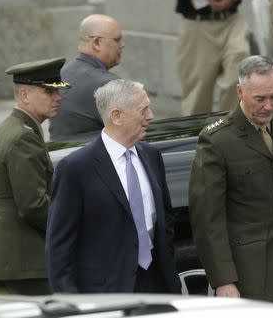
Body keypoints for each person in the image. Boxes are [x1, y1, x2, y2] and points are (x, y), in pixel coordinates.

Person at [189, 55, 273, 309]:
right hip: (251, 273)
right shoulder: (217, 140)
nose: (269, 106)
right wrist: (224, 280)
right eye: (260, 99)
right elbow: (208, 220)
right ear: (240, 91)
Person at [46, 79, 182, 294]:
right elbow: (59, 247)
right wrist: (69, 303)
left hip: (157, 283)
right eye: (143, 110)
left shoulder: (151, 156)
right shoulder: (76, 168)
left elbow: (165, 219)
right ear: (117, 116)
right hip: (107, 292)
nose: (151, 116)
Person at [0, 58, 70, 295]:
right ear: (24, 94)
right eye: (49, 91)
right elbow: (33, 206)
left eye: (58, 91)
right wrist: (71, 223)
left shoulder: (13, 127)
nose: (57, 97)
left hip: (10, 255)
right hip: (22, 257)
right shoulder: (23, 136)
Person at [49, 14, 125, 142]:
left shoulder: (60, 74)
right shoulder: (109, 85)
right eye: (117, 40)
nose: (122, 44)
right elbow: (132, 132)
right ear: (96, 43)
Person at [176, 0, 250, 116]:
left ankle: (231, 127)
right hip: (197, 23)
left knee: (237, 75)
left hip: (232, 20)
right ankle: (198, 132)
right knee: (198, 94)